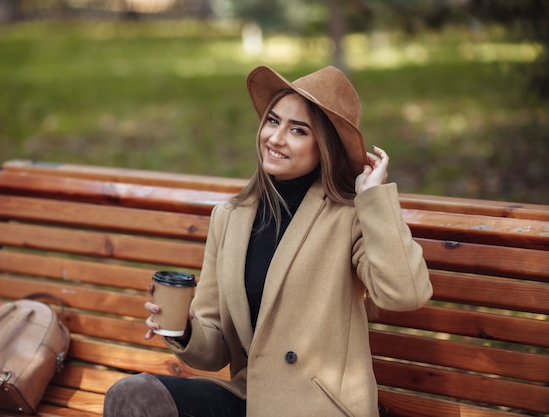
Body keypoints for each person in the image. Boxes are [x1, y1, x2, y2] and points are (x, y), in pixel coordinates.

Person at [103, 65, 433, 417]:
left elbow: (405, 293)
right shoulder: (230, 217)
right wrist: (184, 328)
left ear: (325, 147)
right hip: (251, 400)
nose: (276, 138)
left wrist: (375, 199)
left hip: (316, 407)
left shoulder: (349, 216)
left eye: (298, 130)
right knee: (134, 396)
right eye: (273, 121)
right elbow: (214, 349)